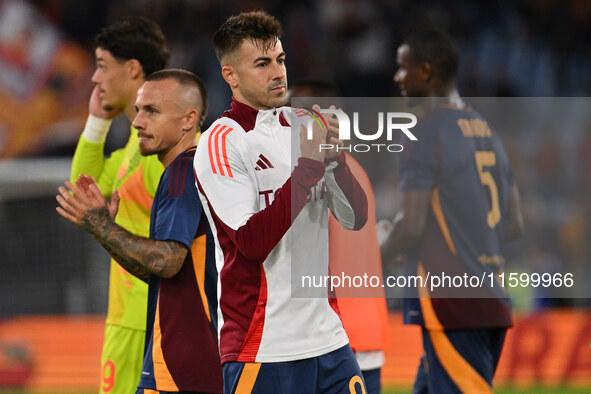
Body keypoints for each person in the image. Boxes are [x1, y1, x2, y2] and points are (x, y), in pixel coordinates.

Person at [193, 11, 369, 394]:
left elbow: (355, 219)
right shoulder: (221, 142)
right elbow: (251, 244)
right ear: (230, 76)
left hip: (330, 339)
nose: (278, 72)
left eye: (281, 60)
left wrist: (337, 162)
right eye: (262, 64)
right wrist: (307, 168)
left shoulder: (307, 124)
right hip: (265, 347)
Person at [57, 69, 223, 393]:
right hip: (200, 358)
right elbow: (169, 272)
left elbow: (168, 262)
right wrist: (103, 230)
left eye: (151, 111)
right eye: (138, 110)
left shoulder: (182, 172)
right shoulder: (198, 168)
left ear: (189, 119)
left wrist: (102, 226)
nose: (136, 122)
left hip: (178, 363)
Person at [380, 29, 524, 393]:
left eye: (403, 68)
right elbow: (514, 225)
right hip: (491, 296)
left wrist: (371, 255)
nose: (397, 77)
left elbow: (410, 227)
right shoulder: (488, 129)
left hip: (453, 304)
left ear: (425, 71)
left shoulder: (424, 133)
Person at [69, 17, 169, 393]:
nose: (95, 78)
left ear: (131, 69)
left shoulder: (161, 149)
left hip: (145, 319)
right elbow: (82, 189)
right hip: (133, 316)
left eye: (101, 65)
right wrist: (96, 121)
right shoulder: (134, 144)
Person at [287, 79, 390, 394]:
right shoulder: (357, 171)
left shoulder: (313, 175)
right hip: (368, 329)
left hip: (336, 336)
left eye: (302, 113)